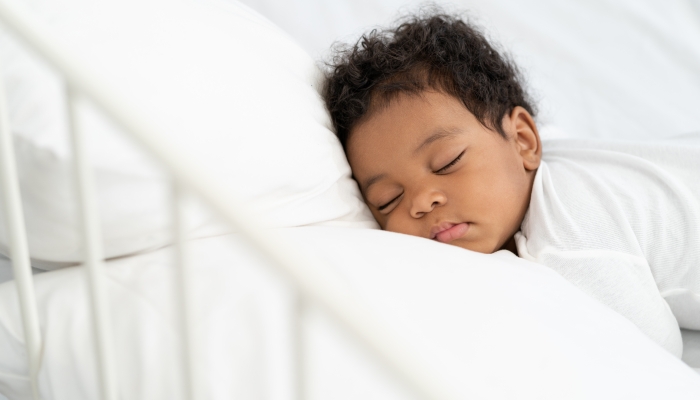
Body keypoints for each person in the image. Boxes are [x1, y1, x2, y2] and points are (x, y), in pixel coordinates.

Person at [322, 12, 700, 358]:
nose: (422, 201)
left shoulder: (568, 238)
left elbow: (654, 356)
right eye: (388, 200)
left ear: (523, 140)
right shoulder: (521, 157)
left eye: (447, 162)